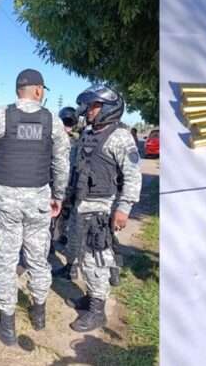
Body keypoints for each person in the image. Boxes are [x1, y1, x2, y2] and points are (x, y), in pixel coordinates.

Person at [0, 68, 70, 346]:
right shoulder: (52, 121)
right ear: (38, 90)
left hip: (7, 205)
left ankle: (6, 327)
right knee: (38, 258)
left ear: (19, 90)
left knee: (5, 261)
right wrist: (58, 196)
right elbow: (62, 164)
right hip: (39, 202)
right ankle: (38, 314)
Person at [65, 85, 142, 332]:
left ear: (109, 108)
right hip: (81, 203)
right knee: (81, 254)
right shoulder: (88, 133)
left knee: (96, 258)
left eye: (95, 106)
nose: (89, 110)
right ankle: (91, 297)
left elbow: (133, 175)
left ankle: (97, 311)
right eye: (89, 106)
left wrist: (124, 208)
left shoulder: (120, 137)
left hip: (101, 207)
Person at [52, 106, 82, 280]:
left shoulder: (79, 141)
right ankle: (51, 244)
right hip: (57, 186)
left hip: (72, 188)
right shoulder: (53, 138)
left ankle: (71, 264)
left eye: (70, 122)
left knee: (70, 221)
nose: (68, 125)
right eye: (66, 121)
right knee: (53, 219)